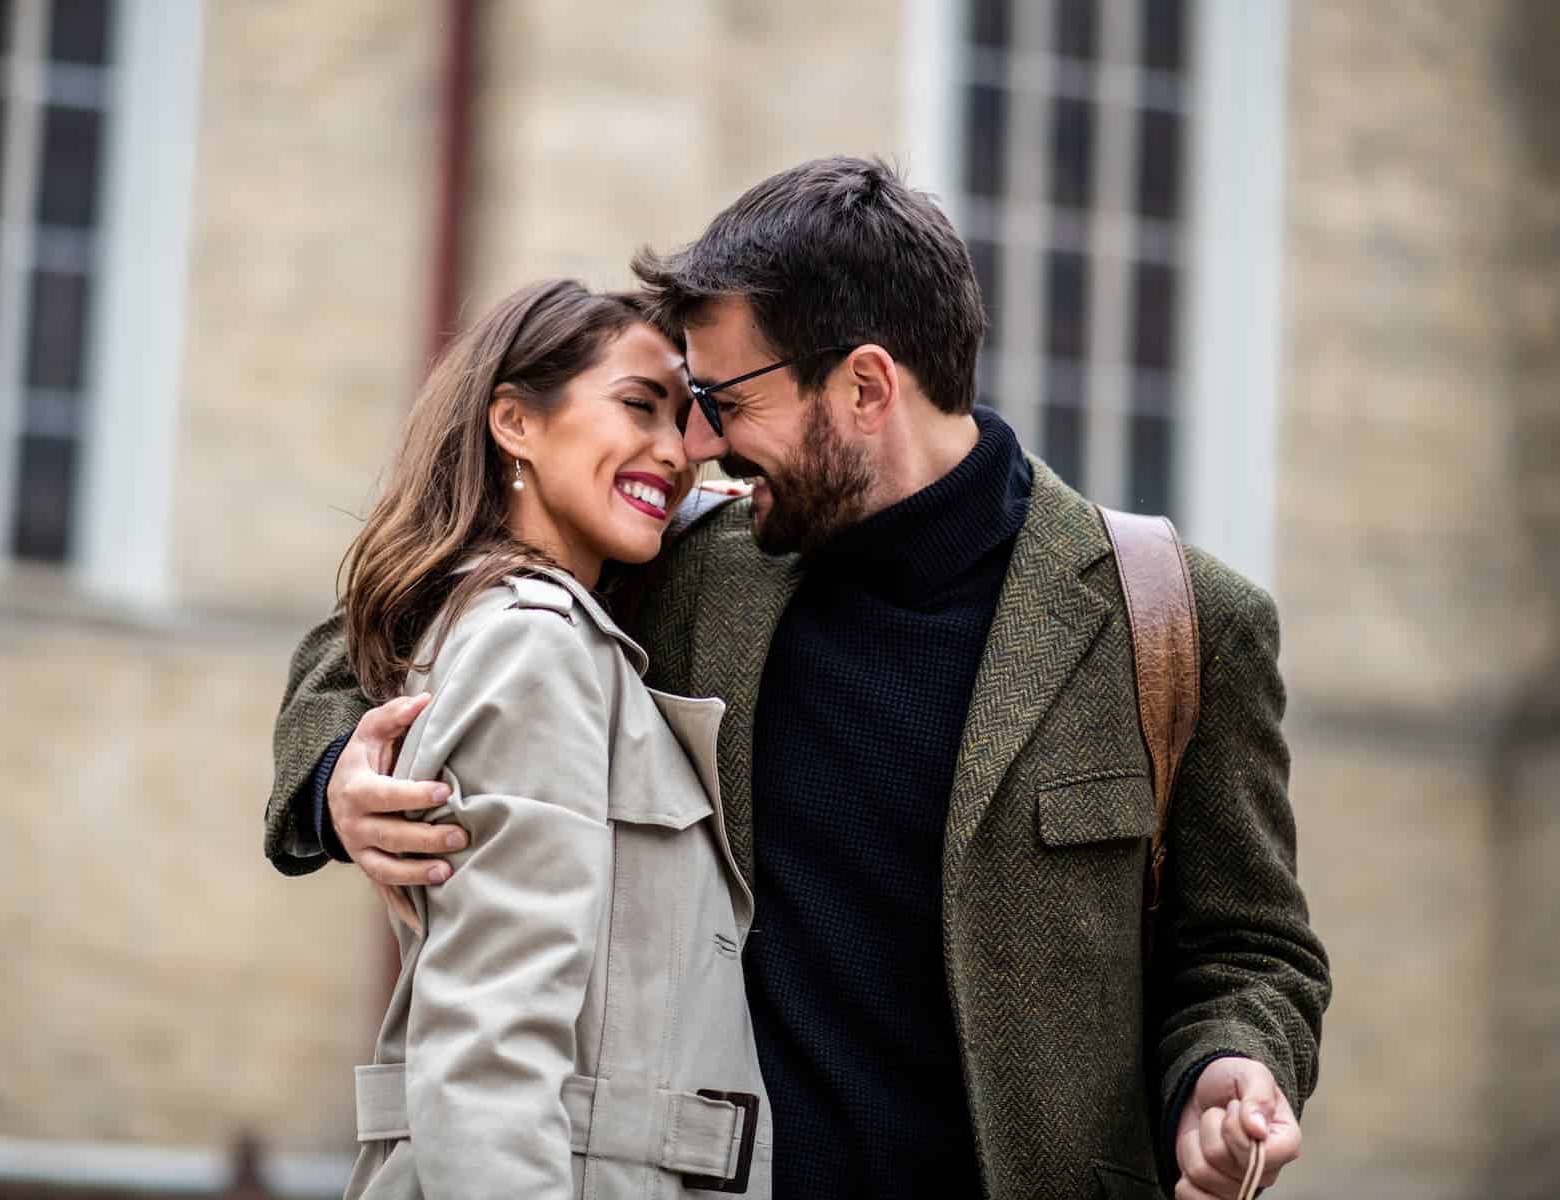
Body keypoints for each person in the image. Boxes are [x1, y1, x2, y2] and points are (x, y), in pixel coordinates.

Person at [270, 158, 1331, 1200]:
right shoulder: (692, 568)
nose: (698, 444)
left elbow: (1247, 946)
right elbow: (401, 605)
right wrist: (334, 782)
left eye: (721, 400)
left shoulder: (1179, 622)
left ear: (864, 386)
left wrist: (1227, 1065)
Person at [330, 279, 772, 1198]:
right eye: (636, 407)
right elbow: (491, 1045)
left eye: (686, 420)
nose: (674, 451)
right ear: (514, 422)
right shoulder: (534, 641)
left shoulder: (519, 626)